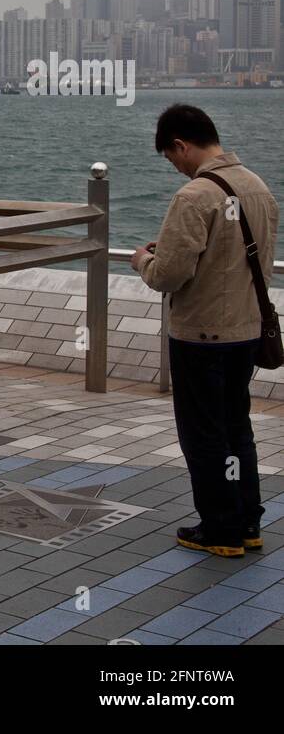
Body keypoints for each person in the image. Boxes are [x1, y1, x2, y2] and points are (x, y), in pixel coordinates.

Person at [132, 103, 279, 558]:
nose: (174, 166)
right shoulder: (258, 187)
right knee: (237, 428)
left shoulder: (194, 197)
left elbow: (168, 276)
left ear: (182, 144)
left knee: (203, 434)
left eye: (171, 157)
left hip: (200, 337)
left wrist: (142, 260)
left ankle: (219, 529)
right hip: (246, 332)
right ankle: (247, 521)